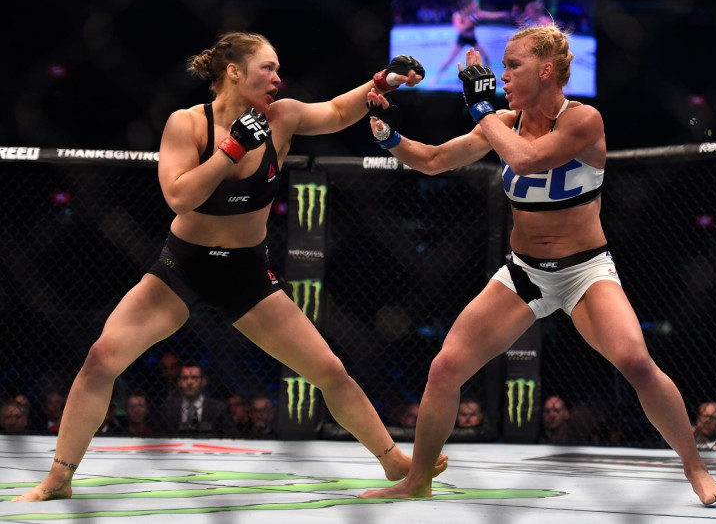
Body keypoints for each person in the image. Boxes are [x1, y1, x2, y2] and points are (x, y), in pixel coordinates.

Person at [12, 31, 442, 502]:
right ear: (234, 71)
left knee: (330, 370)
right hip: (183, 265)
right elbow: (178, 196)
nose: (278, 77)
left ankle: (391, 460)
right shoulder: (188, 124)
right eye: (268, 68)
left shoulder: (281, 117)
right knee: (100, 360)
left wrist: (383, 81)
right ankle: (59, 477)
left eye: (278, 69)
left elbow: (339, 111)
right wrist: (231, 150)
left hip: (247, 272)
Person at [360, 24, 716, 505]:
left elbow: (528, 160)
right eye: (503, 67)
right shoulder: (502, 122)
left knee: (637, 362)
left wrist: (482, 108)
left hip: (585, 271)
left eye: (514, 66)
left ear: (547, 70)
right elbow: (432, 160)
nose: (503, 76)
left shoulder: (583, 120)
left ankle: (695, 468)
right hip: (524, 273)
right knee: (445, 367)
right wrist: (387, 135)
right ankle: (417, 479)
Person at [432, 0, 515, 85]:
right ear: (467, 6)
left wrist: (504, 14)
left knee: (486, 58)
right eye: (473, 4)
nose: (475, 6)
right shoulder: (458, 15)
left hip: (472, 39)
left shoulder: (475, 13)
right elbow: (460, 29)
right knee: (450, 59)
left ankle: (487, 78)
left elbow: (491, 15)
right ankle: (436, 77)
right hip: (462, 39)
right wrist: (470, 21)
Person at [154, 363, 233, 436]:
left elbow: (231, 436)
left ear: (203, 381)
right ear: (179, 382)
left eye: (194, 378)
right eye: (185, 378)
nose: (189, 382)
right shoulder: (168, 408)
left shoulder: (218, 408)